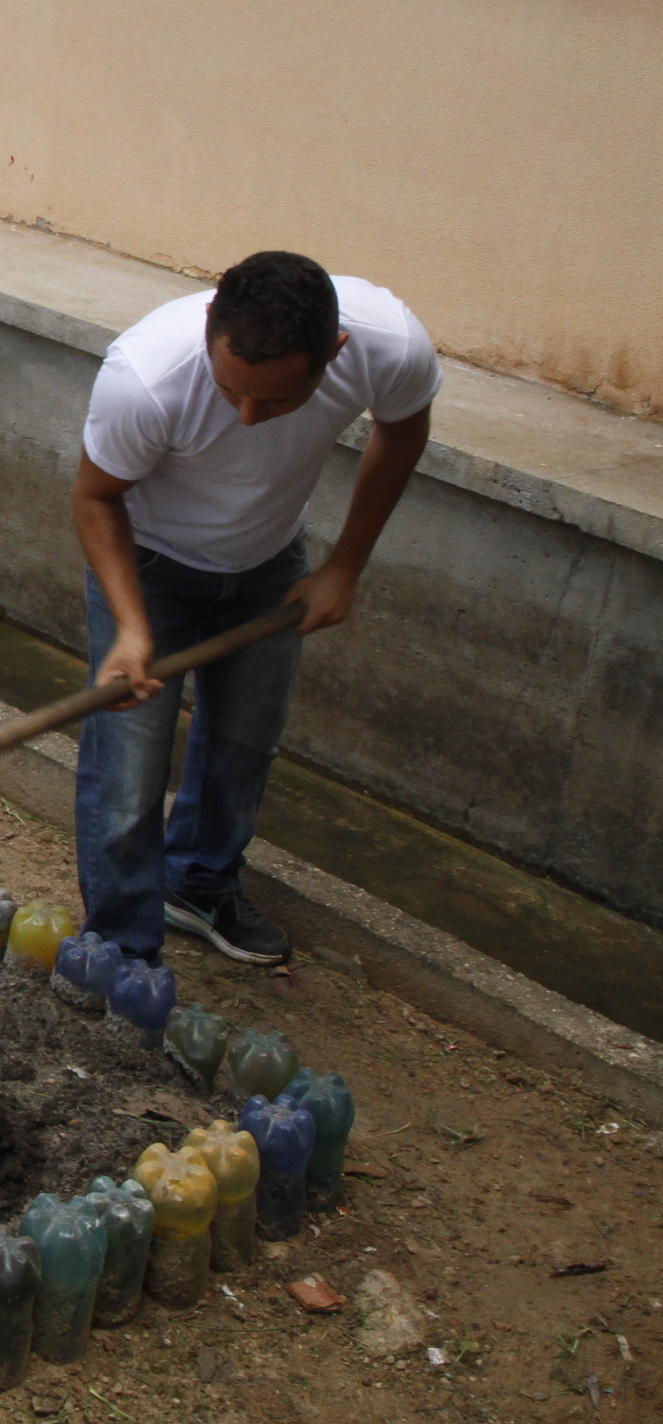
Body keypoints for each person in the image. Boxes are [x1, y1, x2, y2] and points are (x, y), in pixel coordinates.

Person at [74, 252, 438, 966]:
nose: (247, 416)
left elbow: (402, 432)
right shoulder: (145, 377)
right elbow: (95, 498)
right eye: (230, 389)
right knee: (127, 769)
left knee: (244, 745)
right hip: (150, 568)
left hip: (269, 567)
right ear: (211, 321)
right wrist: (132, 626)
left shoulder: (390, 346)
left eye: (274, 402)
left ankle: (198, 884)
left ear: (336, 352)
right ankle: (121, 948)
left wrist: (345, 566)